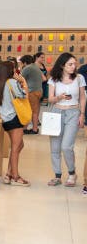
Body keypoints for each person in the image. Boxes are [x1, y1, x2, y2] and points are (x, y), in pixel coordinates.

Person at [46, 53, 86, 187]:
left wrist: (82, 114)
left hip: (73, 113)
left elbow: (82, 97)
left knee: (66, 146)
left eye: (74, 64)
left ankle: (72, 173)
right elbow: (50, 98)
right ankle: (57, 176)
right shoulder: (53, 79)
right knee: (55, 147)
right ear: (62, 65)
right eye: (70, 64)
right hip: (56, 112)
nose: (73, 67)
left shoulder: (79, 78)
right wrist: (59, 97)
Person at [0, 60, 30, 186]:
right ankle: (15, 176)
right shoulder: (12, 82)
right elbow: (24, 95)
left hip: (6, 119)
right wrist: (23, 82)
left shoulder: (0, 83)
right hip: (14, 118)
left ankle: (9, 174)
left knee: (20, 145)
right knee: (16, 148)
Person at [20, 54, 43, 134]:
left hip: (32, 92)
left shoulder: (27, 68)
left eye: (22, 63)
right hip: (39, 91)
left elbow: (20, 79)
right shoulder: (36, 67)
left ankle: (26, 129)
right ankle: (34, 129)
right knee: (35, 111)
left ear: (25, 63)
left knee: (29, 111)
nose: (21, 65)